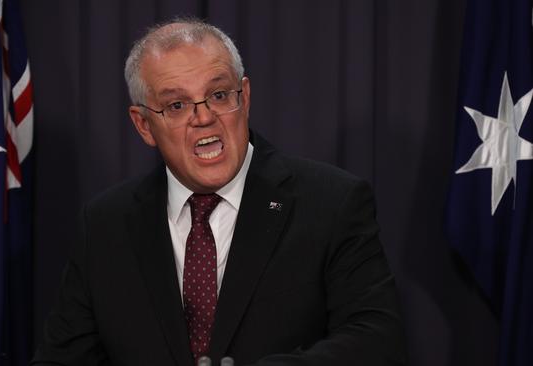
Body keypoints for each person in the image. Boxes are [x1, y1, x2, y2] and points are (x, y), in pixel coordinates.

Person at [32, 18, 406, 366]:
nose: (204, 117)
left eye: (219, 95)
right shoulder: (105, 224)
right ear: (143, 125)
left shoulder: (331, 202)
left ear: (244, 97)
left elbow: (376, 341)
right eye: (176, 105)